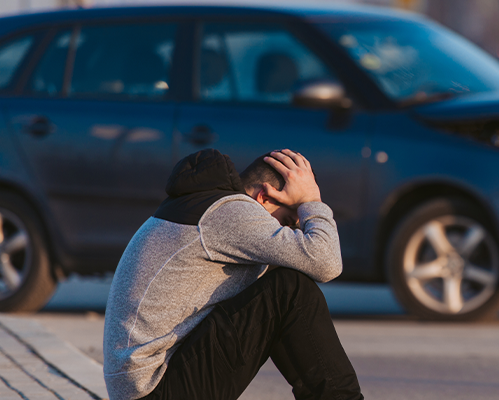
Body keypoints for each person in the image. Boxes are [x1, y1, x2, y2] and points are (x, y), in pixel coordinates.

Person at [103, 148, 363, 400]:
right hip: (154, 390)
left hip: (149, 385)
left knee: (283, 280)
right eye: (287, 222)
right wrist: (311, 202)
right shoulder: (231, 212)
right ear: (264, 196)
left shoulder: (207, 205)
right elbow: (327, 263)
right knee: (290, 290)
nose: (288, 232)